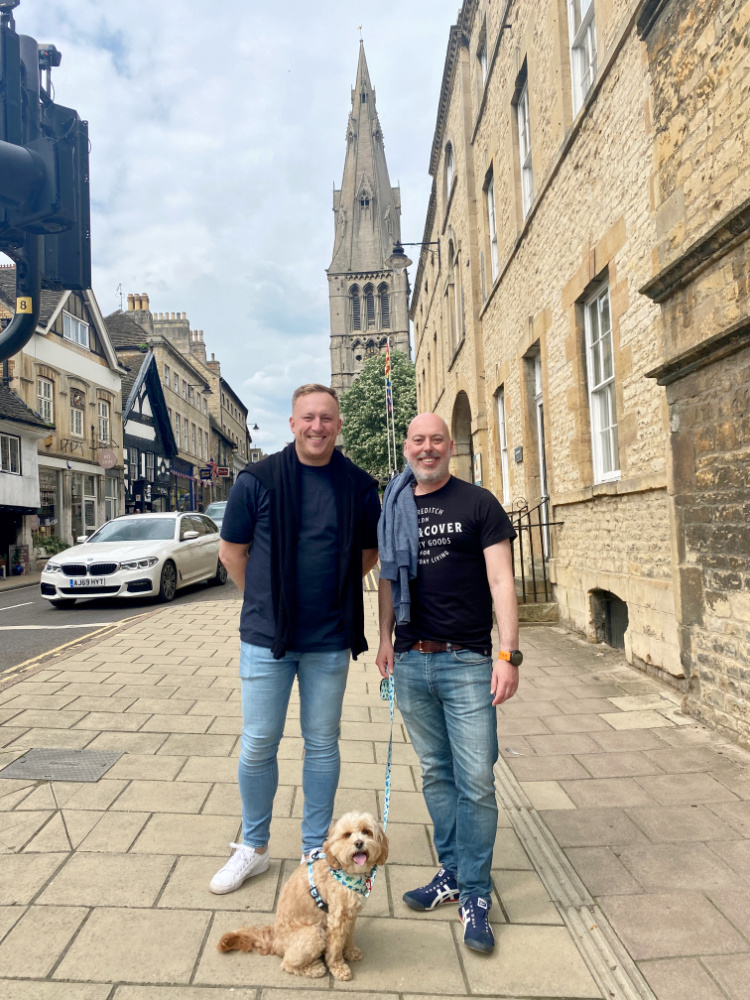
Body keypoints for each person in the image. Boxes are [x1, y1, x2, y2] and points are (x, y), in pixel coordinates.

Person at [211, 383, 380, 895]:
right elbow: (230, 552)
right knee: (259, 742)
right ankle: (254, 848)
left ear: (338, 425)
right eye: (308, 417)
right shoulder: (256, 480)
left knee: (322, 744)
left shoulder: (357, 485)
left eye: (327, 418)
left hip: (329, 637)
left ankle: (314, 852)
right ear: (292, 423)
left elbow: (368, 555)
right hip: (267, 638)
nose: (317, 427)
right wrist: (265, 601)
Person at [376, 412, 520, 955]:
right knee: (437, 774)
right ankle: (453, 872)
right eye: (419, 440)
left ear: (449, 447)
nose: (427, 448)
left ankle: (477, 893)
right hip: (412, 660)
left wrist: (507, 655)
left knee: (476, 779)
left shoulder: (478, 503)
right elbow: (389, 579)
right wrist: (385, 637)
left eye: (437, 440)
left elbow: (502, 581)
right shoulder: (394, 504)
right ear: (408, 447)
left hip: (466, 661)